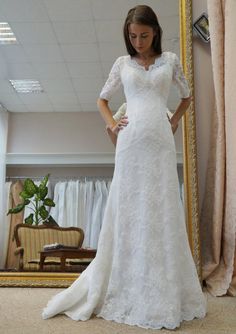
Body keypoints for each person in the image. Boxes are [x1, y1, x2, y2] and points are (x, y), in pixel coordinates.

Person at [42, 5, 206, 329]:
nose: (138, 42)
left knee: (161, 209)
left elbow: (187, 96)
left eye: (144, 36)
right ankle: (125, 284)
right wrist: (113, 126)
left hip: (159, 144)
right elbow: (102, 99)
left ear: (155, 32)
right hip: (130, 146)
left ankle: (165, 287)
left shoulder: (170, 61)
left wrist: (172, 120)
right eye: (133, 36)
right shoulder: (122, 64)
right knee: (129, 210)